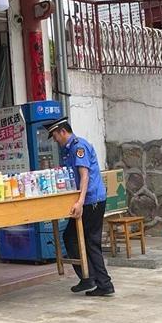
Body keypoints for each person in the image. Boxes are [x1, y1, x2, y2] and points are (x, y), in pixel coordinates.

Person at [45, 117, 115, 297]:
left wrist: (80, 202)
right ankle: (88, 277)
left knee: (89, 241)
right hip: (86, 200)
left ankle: (102, 282)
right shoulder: (67, 149)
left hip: (91, 201)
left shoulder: (78, 147)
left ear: (62, 131)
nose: (55, 140)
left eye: (55, 136)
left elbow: (84, 176)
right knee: (72, 237)